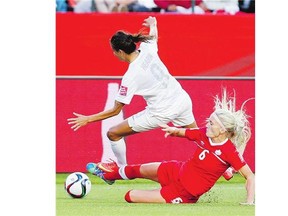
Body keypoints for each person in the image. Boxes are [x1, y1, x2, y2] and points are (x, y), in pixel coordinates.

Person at [67, 16, 197, 168]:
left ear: (121, 52)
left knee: (113, 133)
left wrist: (88, 119)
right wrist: (153, 24)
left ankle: (121, 169)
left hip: (161, 112)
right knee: (199, 137)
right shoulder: (147, 47)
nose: (114, 54)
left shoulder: (131, 76)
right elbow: (153, 36)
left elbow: (115, 111)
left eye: (114, 51)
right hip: (182, 100)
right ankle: (224, 168)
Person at [86, 89, 255, 205]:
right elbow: (186, 133)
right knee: (137, 169)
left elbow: (250, 176)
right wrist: (173, 130)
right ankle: (110, 175)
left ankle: (164, 193)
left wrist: (249, 201)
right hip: (177, 170)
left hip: (183, 192)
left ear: (223, 129)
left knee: (129, 196)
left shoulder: (229, 151)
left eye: (211, 123)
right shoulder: (205, 133)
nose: (207, 124)